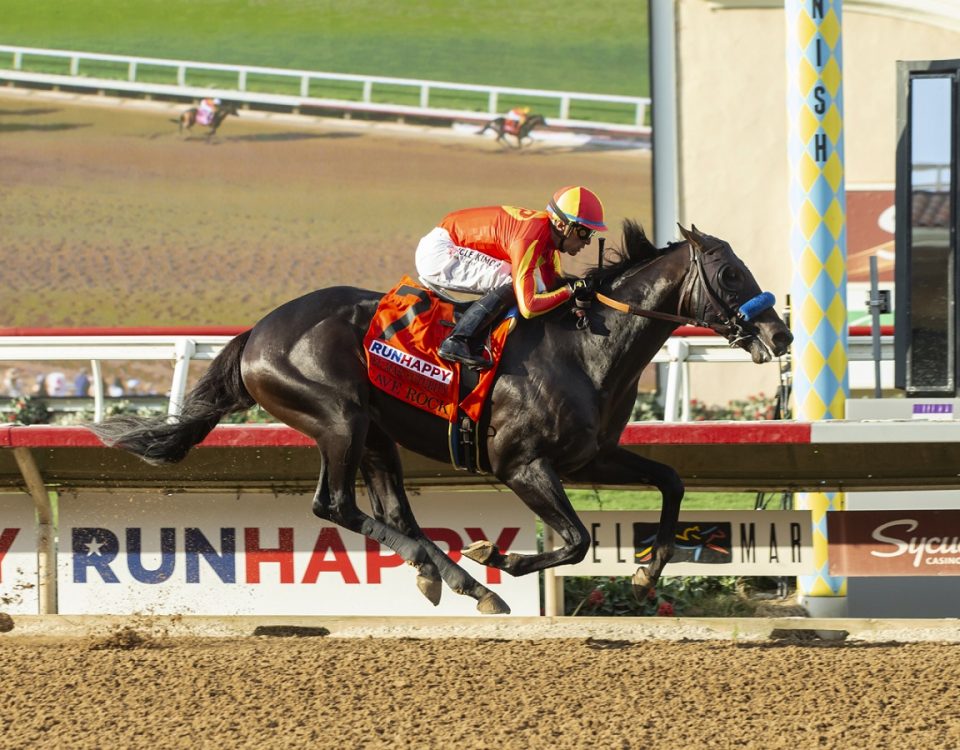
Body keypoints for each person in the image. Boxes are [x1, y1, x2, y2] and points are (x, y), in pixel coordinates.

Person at [415, 185, 607, 369]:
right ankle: (457, 340)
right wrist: (570, 290)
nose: (588, 240)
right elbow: (529, 307)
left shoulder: (549, 245)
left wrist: (577, 299)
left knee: (536, 285)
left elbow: (551, 289)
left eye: (591, 233)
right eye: (583, 231)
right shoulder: (530, 237)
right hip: (439, 250)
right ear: (560, 224)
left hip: (451, 242)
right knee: (512, 282)